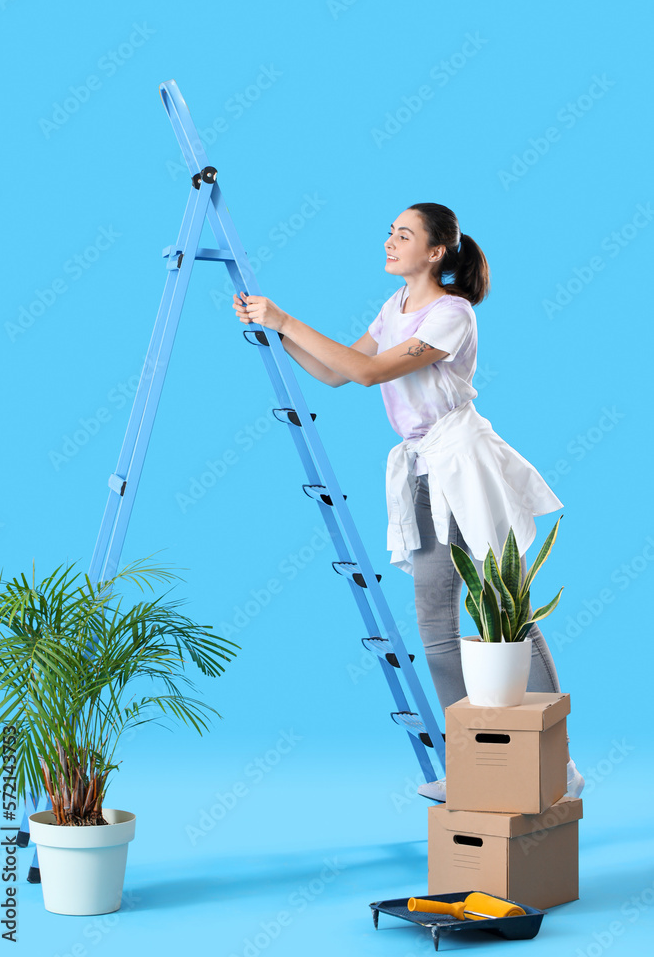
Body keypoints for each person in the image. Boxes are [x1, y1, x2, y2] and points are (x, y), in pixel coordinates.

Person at [232, 202, 583, 800]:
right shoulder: (392, 308)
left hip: (464, 465)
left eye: (404, 234)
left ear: (437, 252)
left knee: (508, 612)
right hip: (420, 473)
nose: (390, 242)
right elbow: (337, 372)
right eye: (389, 232)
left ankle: (559, 767)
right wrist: (274, 333)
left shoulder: (452, 314)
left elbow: (369, 374)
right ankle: (472, 763)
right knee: (435, 625)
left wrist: (286, 318)